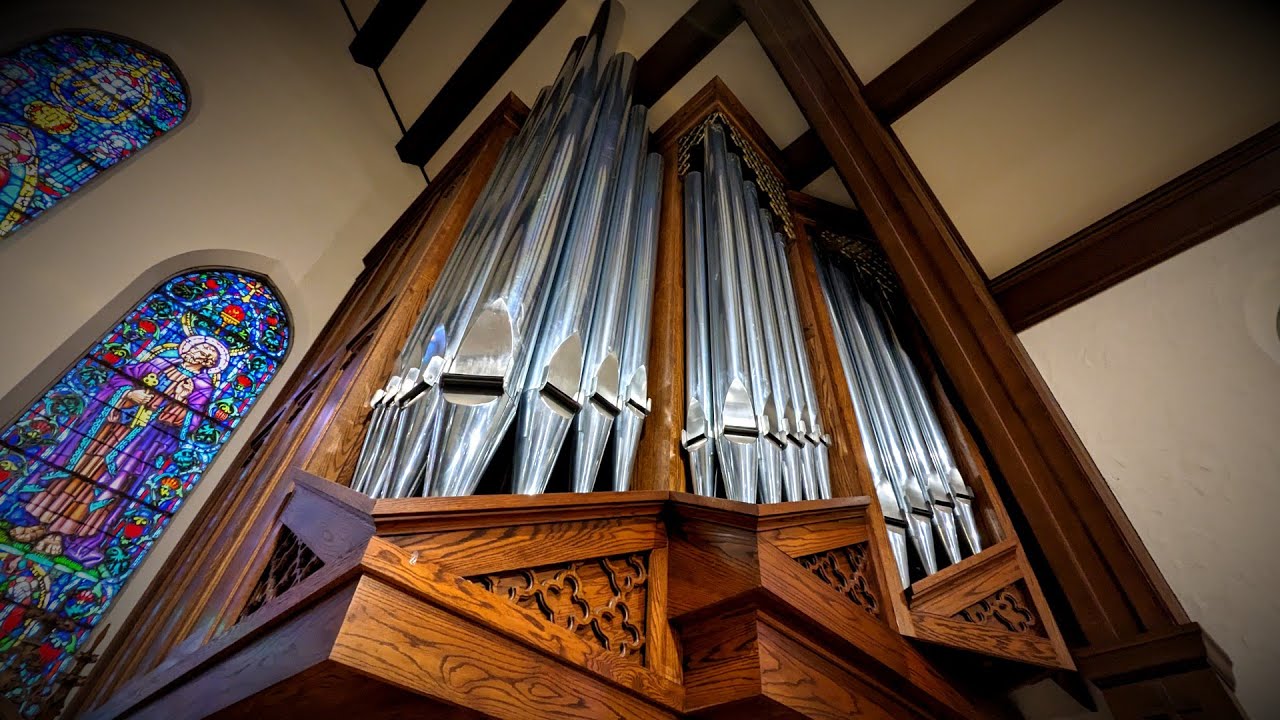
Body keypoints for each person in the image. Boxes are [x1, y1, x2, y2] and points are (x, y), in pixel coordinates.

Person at [10, 336, 226, 567]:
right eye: (196, 348)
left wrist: (180, 400)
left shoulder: (202, 387)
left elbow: (192, 422)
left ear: (208, 362)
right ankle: (40, 521)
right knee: (77, 470)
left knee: (108, 485)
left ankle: (63, 534)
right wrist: (128, 395)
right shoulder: (160, 362)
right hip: (108, 428)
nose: (197, 353)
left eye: (204, 354)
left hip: (142, 442)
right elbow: (118, 380)